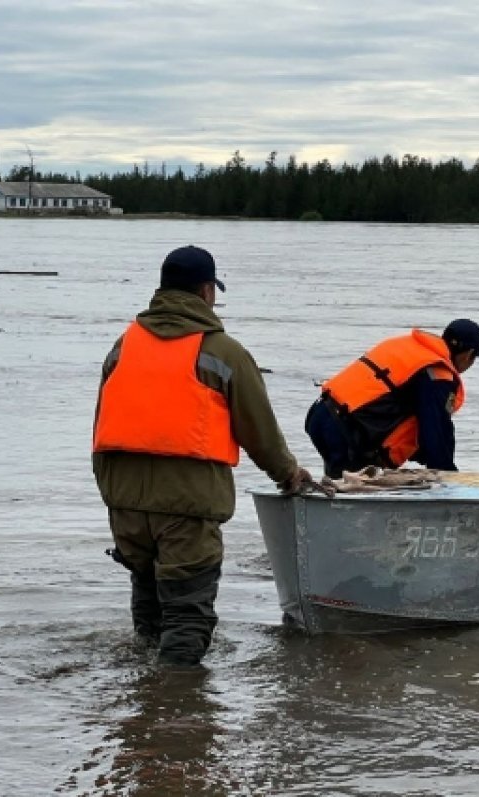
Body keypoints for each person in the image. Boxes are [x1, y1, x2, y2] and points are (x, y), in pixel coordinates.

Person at [92, 245, 310, 668]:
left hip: (124, 504)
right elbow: (259, 431)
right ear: (207, 291)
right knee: (187, 613)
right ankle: (177, 698)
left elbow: (100, 426)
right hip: (187, 506)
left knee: (149, 600)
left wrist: (113, 495)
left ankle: (143, 691)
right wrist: (289, 474)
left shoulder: (123, 346)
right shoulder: (223, 352)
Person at [304, 319, 479, 478]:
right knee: (353, 492)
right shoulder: (437, 374)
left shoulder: (411, 348)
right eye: (474, 359)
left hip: (321, 414)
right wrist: (448, 479)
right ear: (468, 354)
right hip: (345, 431)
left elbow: (404, 417)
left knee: (340, 483)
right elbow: (435, 430)